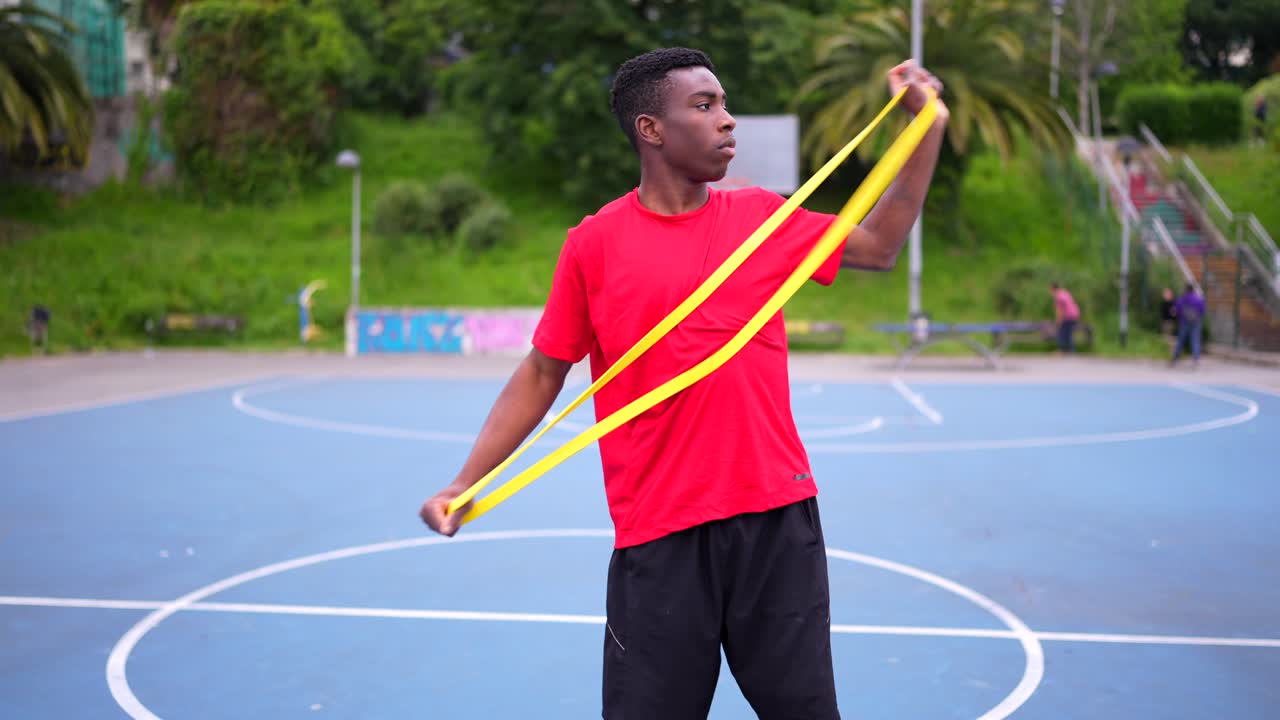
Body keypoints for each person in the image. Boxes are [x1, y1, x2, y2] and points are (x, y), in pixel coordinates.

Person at [419, 48, 949, 719]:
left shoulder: (763, 218)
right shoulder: (593, 244)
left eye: (724, 105)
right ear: (651, 129)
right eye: (705, 106)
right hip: (659, 537)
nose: (727, 121)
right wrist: (465, 482)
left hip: (775, 524)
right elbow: (543, 369)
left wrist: (927, 125)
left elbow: (880, 242)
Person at [1170, 283, 1205, 367]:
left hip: (1184, 321)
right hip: (1196, 321)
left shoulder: (1183, 298)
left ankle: (1175, 359)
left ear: (1186, 289)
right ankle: (1196, 359)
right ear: (1193, 289)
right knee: (1195, 340)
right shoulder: (1198, 298)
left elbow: (1176, 310)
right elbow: (1202, 310)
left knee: (1181, 340)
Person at [1050, 281, 1080, 354]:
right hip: (1075, 314)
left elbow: (1060, 310)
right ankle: (1070, 350)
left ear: (1053, 289)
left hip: (1068, 316)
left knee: (1062, 333)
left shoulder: (1058, 296)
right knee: (1068, 333)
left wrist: (1058, 321)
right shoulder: (1065, 292)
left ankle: (1062, 350)